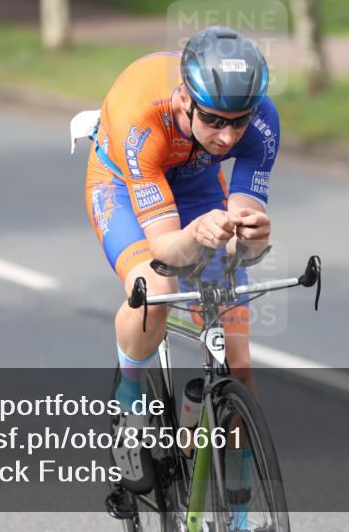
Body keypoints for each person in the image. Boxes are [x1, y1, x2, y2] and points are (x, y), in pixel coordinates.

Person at [76, 26, 280, 501]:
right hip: (124, 184)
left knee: (240, 362)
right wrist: (195, 236)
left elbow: (241, 234)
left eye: (239, 121)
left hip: (196, 187)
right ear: (185, 98)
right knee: (158, 289)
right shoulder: (142, 118)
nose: (228, 136)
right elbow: (168, 250)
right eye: (212, 119)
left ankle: (243, 510)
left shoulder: (263, 123)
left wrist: (250, 236)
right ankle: (128, 406)